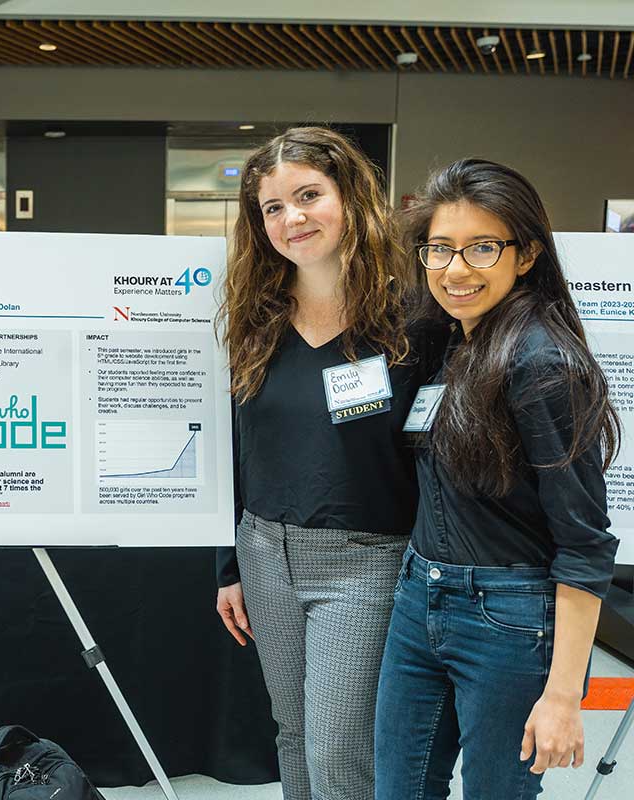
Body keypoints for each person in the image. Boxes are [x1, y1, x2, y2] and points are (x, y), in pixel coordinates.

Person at [374, 159, 619, 799]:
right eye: (440, 249)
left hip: (509, 617)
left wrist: (565, 695)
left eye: (483, 247)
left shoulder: (541, 364)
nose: (456, 270)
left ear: (528, 252)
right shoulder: (452, 342)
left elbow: (586, 542)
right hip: (418, 597)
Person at [214, 127, 444, 800]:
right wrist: (228, 566)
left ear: (350, 198)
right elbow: (238, 445)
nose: (293, 218)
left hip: (365, 560)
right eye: (274, 207)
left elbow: (436, 455)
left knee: (338, 746)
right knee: (291, 732)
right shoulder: (254, 314)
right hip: (263, 553)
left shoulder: (413, 317)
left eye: (309, 195)